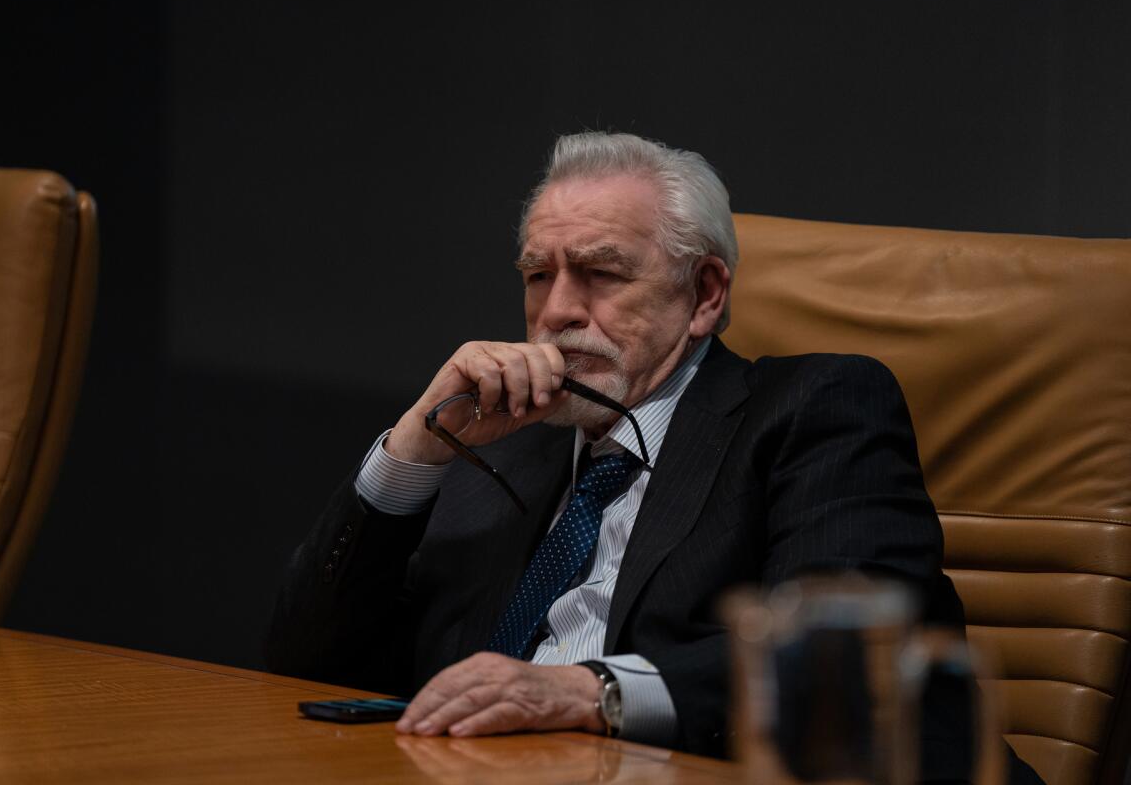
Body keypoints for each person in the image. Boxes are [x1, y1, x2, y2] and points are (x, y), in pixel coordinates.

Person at [265, 131, 1038, 782]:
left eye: (600, 273)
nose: (558, 310)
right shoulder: (506, 447)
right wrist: (416, 448)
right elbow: (303, 660)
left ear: (704, 294)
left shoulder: (815, 409)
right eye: (538, 276)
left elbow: (840, 665)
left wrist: (585, 691)